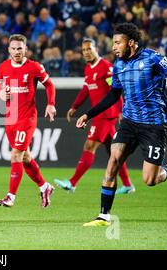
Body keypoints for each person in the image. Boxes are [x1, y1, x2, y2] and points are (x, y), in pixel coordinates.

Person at [76, 23, 167, 226]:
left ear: (132, 43)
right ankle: (104, 216)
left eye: (118, 43)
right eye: (113, 43)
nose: (114, 47)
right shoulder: (118, 64)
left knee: (150, 180)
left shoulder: (153, 58)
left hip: (154, 125)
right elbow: (114, 95)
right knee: (113, 161)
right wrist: (88, 114)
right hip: (128, 122)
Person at [54, 38, 135, 194]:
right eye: (83, 50)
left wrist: (121, 111)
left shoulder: (106, 67)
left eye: (89, 49)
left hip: (105, 115)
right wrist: (74, 107)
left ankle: (72, 183)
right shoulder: (88, 68)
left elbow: (116, 91)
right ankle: (127, 185)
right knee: (114, 151)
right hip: (100, 115)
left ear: (96, 49)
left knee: (89, 146)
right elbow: (85, 90)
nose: (86, 52)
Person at [0, 34, 56, 208]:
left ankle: (10, 197)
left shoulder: (34, 67)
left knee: (16, 155)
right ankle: (45, 187)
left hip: (27, 119)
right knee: (26, 157)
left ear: (25, 49)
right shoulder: (3, 67)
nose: (16, 51)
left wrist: (51, 105)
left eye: (20, 48)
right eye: (13, 48)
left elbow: (50, 85)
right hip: (10, 118)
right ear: (9, 49)